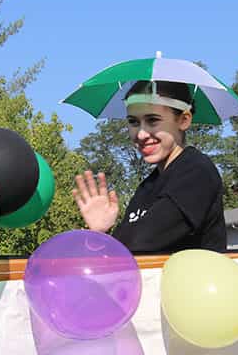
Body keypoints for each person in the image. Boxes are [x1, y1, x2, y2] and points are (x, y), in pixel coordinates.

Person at [71, 80, 227, 253]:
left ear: (184, 120)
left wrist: (106, 241)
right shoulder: (147, 186)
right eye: (133, 122)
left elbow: (142, 242)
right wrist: (99, 233)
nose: (141, 134)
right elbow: (123, 255)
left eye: (153, 120)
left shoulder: (197, 172)